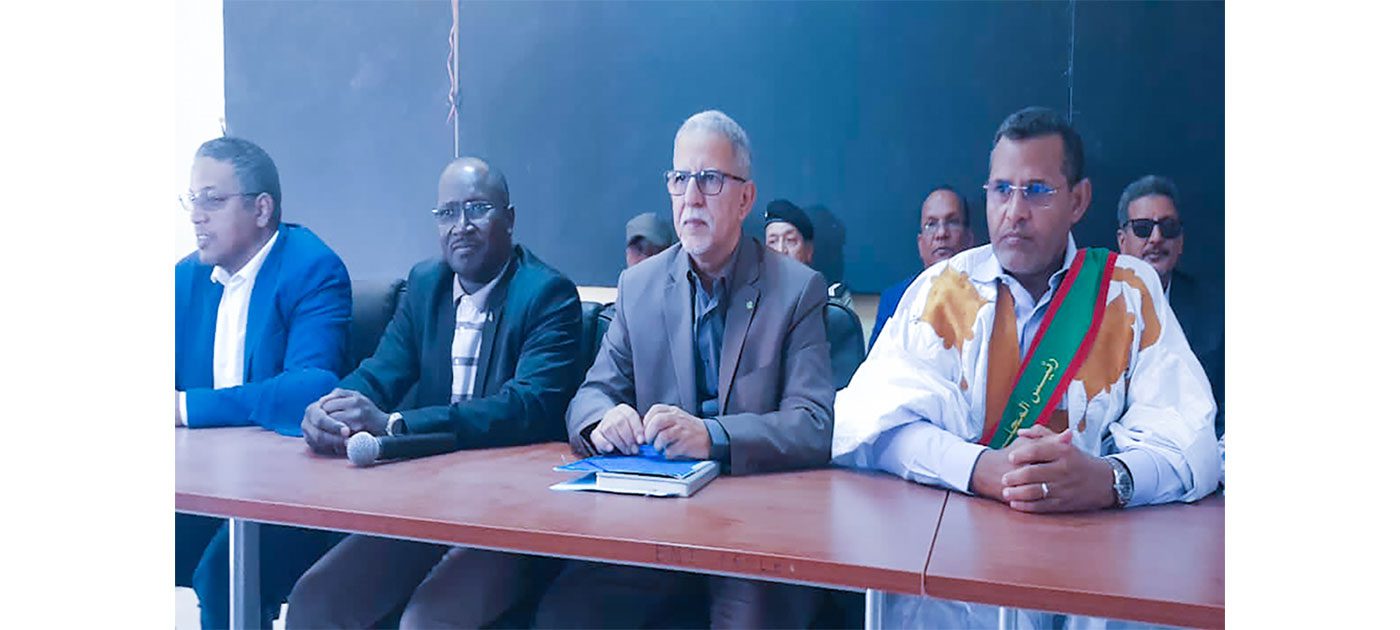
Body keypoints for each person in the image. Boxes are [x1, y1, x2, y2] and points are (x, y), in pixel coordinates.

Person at [832, 107, 1221, 629]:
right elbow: (866, 426)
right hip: (955, 584)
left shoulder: (1130, 292)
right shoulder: (941, 291)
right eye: (1001, 190)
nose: (1014, 212)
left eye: (1037, 191)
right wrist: (980, 469)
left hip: (1097, 577)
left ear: (1078, 200)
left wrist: (1111, 480)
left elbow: (1192, 444)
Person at [534, 110, 836, 628]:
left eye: (710, 179)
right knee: (564, 615)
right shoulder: (639, 286)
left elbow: (813, 424)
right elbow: (591, 394)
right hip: (654, 522)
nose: (691, 197)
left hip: (753, 529)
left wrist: (712, 436)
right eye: (680, 179)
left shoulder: (796, 289)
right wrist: (602, 420)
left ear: (745, 198)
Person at [286, 157, 583, 628]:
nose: (461, 226)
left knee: (428, 621)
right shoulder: (427, 285)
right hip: (426, 504)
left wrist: (396, 425)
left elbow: (526, 406)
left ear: (509, 219)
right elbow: (381, 371)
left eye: (477, 209)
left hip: (510, 514)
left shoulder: (548, 294)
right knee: (315, 601)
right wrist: (331, 408)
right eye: (447, 213)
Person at [174, 136, 351, 629]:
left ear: (261, 209)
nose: (197, 216)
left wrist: (187, 408)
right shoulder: (185, 279)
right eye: (192, 200)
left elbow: (311, 387)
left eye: (213, 200)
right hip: (204, 483)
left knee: (222, 576)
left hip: (288, 494)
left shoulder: (312, 268)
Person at [1116, 174, 1225, 437]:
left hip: (1199, 450)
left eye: (1168, 227)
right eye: (1143, 228)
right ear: (1122, 242)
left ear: (1181, 242)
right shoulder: (1094, 308)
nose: (1156, 238)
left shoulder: (1217, 310)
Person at [764, 198, 865, 388]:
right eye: (772, 241)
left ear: (809, 251)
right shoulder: (749, 306)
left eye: (790, 241)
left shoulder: (834, 308)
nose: (781, 250)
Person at [868, 185, 974, 349]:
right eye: (931, 224)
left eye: (952, 222)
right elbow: (876, 363)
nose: (941, 233)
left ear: (969, 238)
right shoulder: (895, 299)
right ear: (920, 244)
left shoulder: (990, 297)